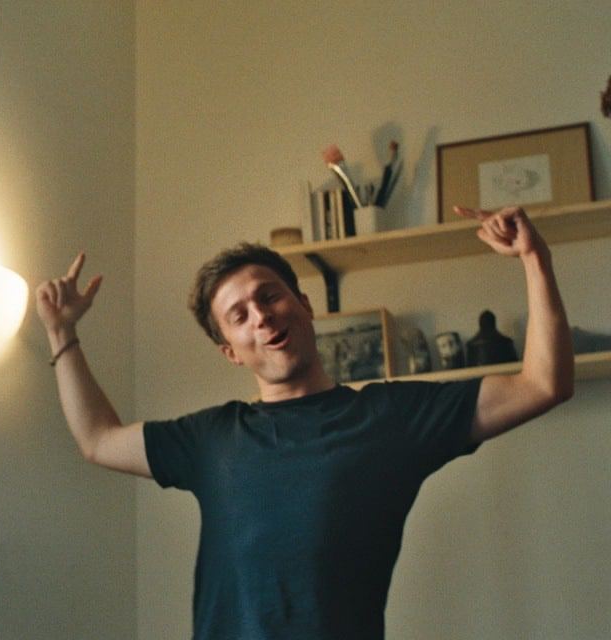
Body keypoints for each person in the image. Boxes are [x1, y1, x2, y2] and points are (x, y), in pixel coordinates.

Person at [36, 205, 574, 640]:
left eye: (269, 295)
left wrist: (535, 259)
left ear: (305, 305)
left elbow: (543, 384)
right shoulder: (211, 439)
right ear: (231, 352)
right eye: (239, 315)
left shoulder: (391, 418)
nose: (262, 315)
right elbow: (98, 439)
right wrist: (61, 333)